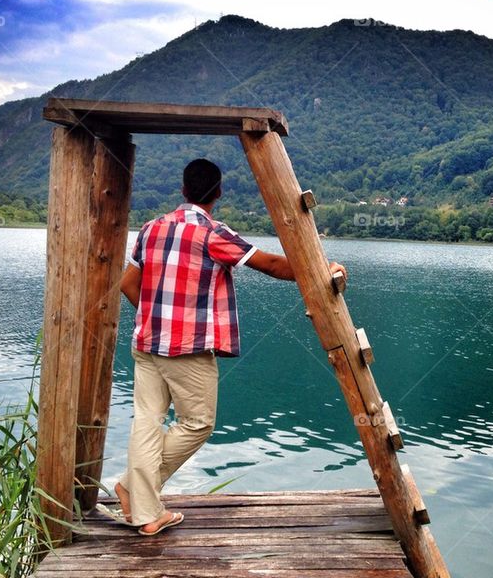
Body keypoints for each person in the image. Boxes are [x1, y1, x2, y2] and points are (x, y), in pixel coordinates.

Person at [111, 158, 346, 535]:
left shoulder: (152, 229)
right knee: (198, 423)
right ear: (218, 193)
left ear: (183, 190)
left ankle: (142, 506)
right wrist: (321, 268)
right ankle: (136, 493)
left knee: (147, 422)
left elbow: (127, 283)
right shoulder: (213, 233)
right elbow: (269, 264)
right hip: (186, 350)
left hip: (147, 342)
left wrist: (159, 316)